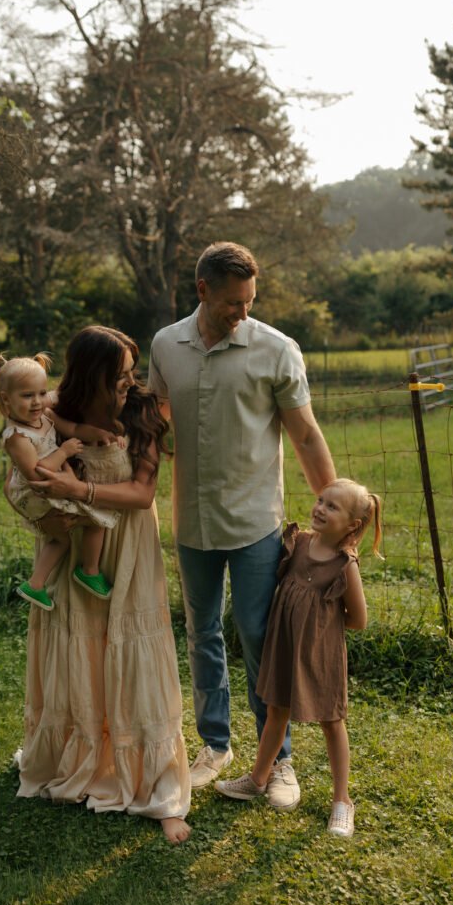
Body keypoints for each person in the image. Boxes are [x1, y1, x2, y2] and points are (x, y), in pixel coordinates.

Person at [147, 241, 336, 810]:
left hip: (256, 521)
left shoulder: (277, 350)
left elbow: (304, 435)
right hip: (191, 521)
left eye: (250, 301)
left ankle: (277, 762)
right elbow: (153, 424)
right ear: (202, 290)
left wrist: (336, 514)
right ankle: (215, 747)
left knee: (259, 635)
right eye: (233, 302)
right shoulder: (165, 345)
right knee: (201, 633)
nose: (243, 313)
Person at [12, 325, 192, 844]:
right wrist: (45, 513)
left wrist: (80, 487)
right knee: (79, 645)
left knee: (135, 648)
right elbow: (21, 469)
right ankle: (79, 760)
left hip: (128, 546)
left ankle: (155, 783)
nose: (128, 383)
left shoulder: (142, 412)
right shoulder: (50, 412)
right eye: (119, 375)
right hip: (76, 549)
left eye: (132, 372)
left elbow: (140, 493)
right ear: (90, 374)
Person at [215, 477, 381, 837]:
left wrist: (321, 624)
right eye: (321, 500)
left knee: (331, 720)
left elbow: (359, 620)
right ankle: (259, 778)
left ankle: (342, 801)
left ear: (352, 525)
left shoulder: (344, 564)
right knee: (276, 709)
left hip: (321, 653)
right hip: (285, 644)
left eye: (332, 506)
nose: (320, 508)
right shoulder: (299, 544)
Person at [0, 352, 121, 610]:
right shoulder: (17, 436)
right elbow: (36, 475)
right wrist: (64, 452)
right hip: (35, 494)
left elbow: (72, 427)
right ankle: (88, 572)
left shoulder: (43, 415)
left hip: (50, 485)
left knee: (62, 539)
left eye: (41, 393)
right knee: (97, 519)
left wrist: (104, 431)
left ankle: (35, 585)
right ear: (6, 400)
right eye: (27, 396)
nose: (37, 402)